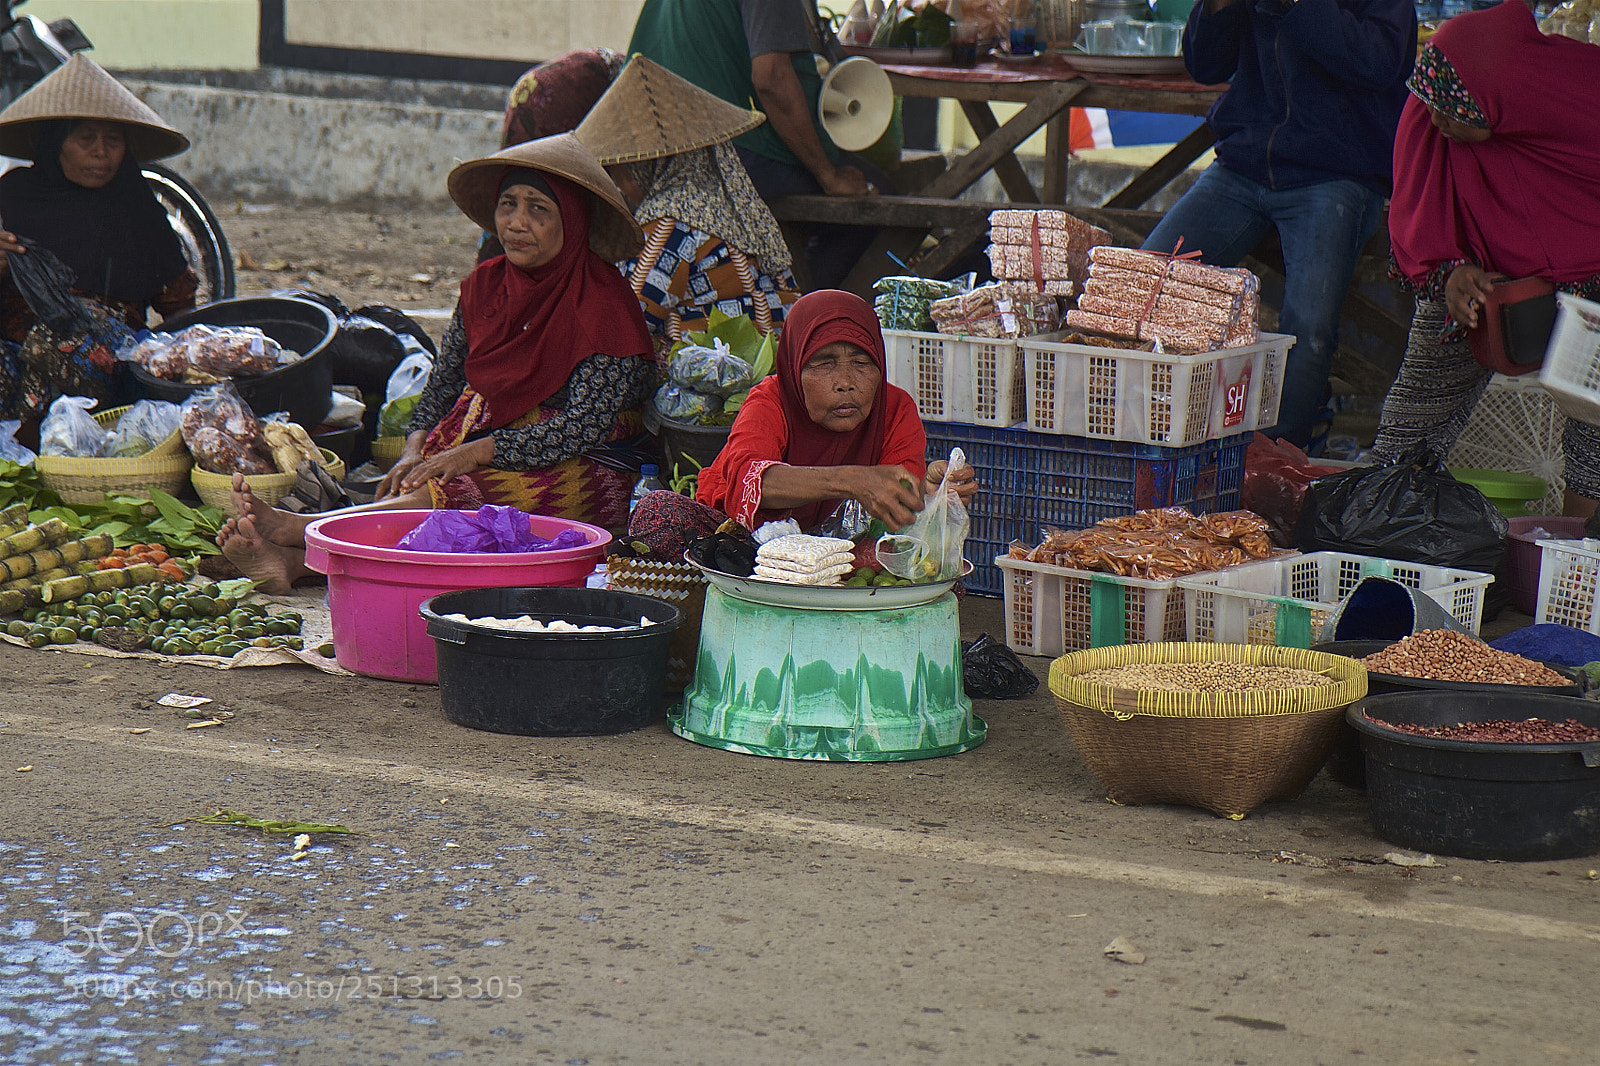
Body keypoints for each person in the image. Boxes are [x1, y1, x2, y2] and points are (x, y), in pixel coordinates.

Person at [217, 134, 658, 592]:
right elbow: (444, 383)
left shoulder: (605, 304)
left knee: (463, 498)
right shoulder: (487, 286)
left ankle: (305, 532)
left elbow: (581, 428)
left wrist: (471, 452)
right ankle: (297, 564)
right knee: (418, 482)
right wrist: (414, 448)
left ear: (572, 221)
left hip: (587, 466)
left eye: (539, 209)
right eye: (508, 204)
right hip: (494, 436)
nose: (516, 222)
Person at [1140, 0, 1416, 448]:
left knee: (1306, 332)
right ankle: (1147, 441)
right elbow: (1205, 66)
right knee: (1143, 285)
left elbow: (1379, 63)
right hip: (1242, 166)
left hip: (1336, 173)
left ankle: (1280, 459)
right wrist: (1216, 9)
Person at [1367, 0, 1600, 515]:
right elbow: (1417, 207)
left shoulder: (1583, 97)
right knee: (1410, 425)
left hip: (1591, 282)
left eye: (1450, 109)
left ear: (1498, 97)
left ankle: (1571, 560)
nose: (1434, 119)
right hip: (1474, 283)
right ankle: (1377, 533)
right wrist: (1446, 272)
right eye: (1430, 103)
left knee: (1596, 425)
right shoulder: (1436, 102)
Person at [627, 289, 976, 561]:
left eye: (861, 362)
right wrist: (852, 480)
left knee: (941, 569)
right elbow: (754, 479)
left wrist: (929, 492)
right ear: (795, 367)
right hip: (749, 549)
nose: (845, 382)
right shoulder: (770, 400)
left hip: (843, 557)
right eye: (824, 363)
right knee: (658, 513)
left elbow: (898, 516)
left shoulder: (895, 408)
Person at [628, 0, 887, 290]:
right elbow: (772, 78)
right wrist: (828, 175)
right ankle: (807, 318)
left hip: (657, 151)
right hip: (726, 153)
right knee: (878, 204)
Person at [0, 55, 198, 423]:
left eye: (113, 140)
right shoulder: (11, 198)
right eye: (86, 138)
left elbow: (180, 310)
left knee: (71, 348)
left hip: (111, 373)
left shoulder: (138, 208)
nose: (101, 152)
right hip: (17, 359)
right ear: (56, 143)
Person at [574, 55, 800, 348]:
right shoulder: (732, 209)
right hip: (771, 361)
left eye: (620, 172)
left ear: (648, 168)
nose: (619, 187)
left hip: (720, 378)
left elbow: (626, 319)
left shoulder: (670, 224)